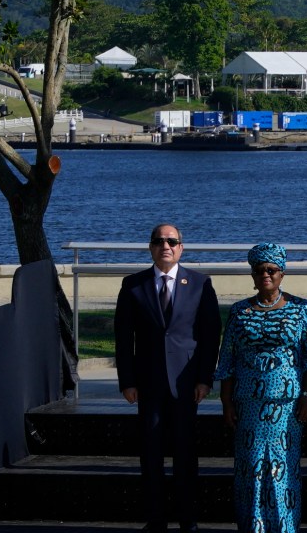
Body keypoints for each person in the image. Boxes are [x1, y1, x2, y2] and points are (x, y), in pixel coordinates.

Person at [213, 242, 307, 533]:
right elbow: (227, 359)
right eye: (259, 270)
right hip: (248, 405)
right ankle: (254, 526)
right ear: (252, 274)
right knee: (251, 469)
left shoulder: (301, 310)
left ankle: (284, 526)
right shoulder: (240, 312)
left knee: (283, 469)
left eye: (271, 270)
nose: (265, 274)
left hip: (287, 407)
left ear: (282, 273)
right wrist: (226, 403)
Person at [115, 222, 220, 533]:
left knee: (186, 453)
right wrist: (127, 381)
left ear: (181, 248)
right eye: (159, 241)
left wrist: (205, 379)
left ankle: (188, 518)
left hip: (187, 384)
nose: (166, 246)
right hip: (147, 384)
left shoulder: (200, 284)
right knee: (151, 453)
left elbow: (210, 335)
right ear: (150, 247)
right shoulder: (133, 285)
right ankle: (156, 518)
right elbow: (123, 338)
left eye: (172, 241)